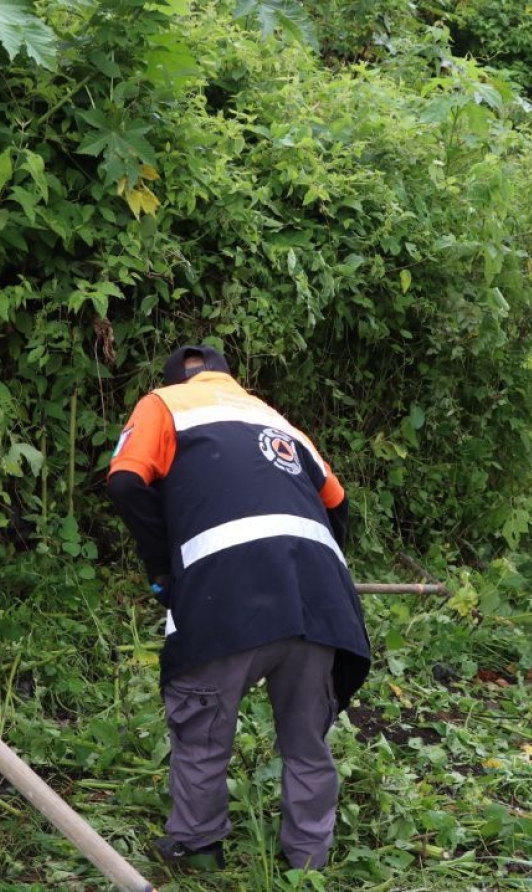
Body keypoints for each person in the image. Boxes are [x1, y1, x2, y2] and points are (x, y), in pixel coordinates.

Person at [106, 344, 371, 872]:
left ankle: (199, 848)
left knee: (202, 724)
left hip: (224, 595)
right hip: (318, 601)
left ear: (176, 378)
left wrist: (165, 568)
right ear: (230, 378)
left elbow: (125, 481)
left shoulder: (163, 403)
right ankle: (306, 863)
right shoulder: (278, 421)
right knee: (306, 740)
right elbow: (338, 504)